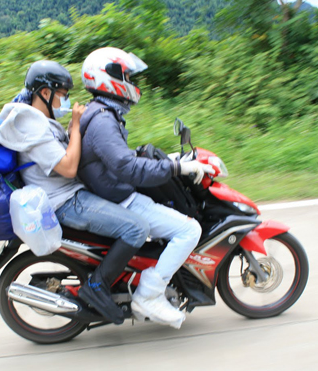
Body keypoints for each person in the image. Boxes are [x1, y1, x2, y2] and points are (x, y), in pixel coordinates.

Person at [0, 60, 151, 325]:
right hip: (65, 202)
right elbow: (69, 167)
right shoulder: (32, 126)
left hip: (70, 194)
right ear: (45, 92)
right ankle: (96, 287)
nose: (65, 101)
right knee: (137, 229)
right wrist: (75, 125)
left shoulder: (41, 121)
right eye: (62, 94)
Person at [78, 47, 215, 329]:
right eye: (127, 76)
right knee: (189, 230)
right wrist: (176, 168)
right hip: (119, 197)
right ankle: (149, 295)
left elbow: (118, 158)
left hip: (114, 191)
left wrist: (170, 160)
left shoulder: (103, 113)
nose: (131, 82)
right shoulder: (103, 120)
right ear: (109, 78)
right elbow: (125, 167)